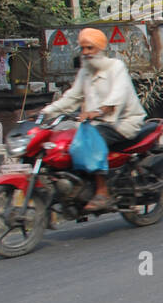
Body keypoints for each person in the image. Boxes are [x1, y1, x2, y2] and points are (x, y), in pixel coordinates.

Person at [42, 28, 148, 211]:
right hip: (98, 123)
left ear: (100, 49)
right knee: (68, 141)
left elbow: (118, 96)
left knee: (91, 139)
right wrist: (45, 112)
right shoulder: (85, 72)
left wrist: (98, 111)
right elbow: (71, 98)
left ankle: (102, 191)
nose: (85, 53)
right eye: (83, 49)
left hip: (124, 122)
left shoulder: (116, 67)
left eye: (90, 48)